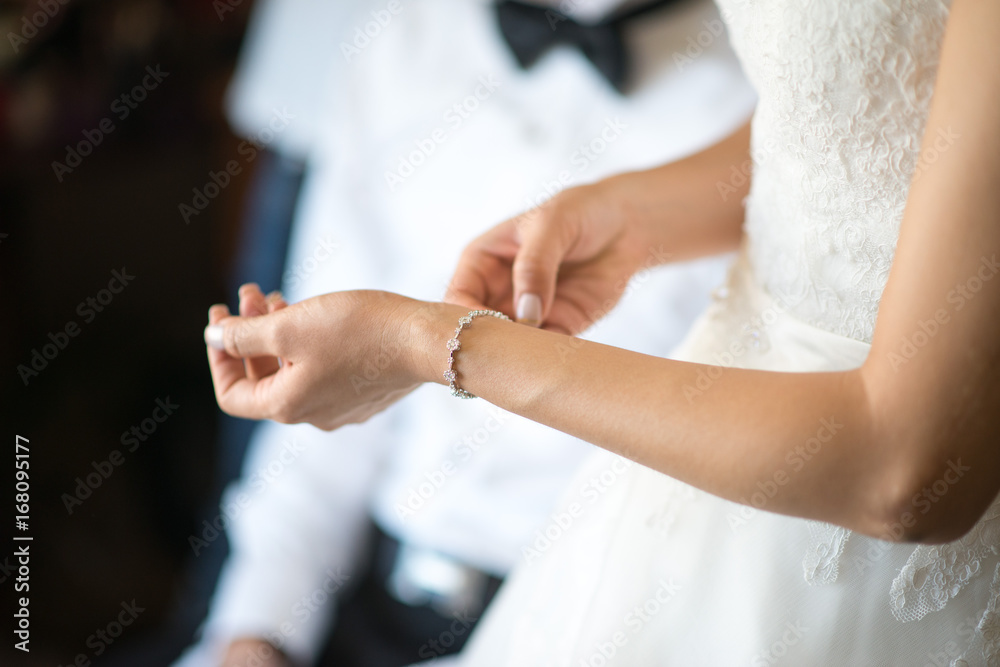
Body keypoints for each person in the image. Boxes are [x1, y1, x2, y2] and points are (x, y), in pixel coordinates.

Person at [206, 0, 1000, 663]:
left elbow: (907, 473)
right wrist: (631, 215)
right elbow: (853, 122)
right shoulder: (395, 44)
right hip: (391, 582)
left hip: (789, 510)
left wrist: (430, 344)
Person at [184, 0, 758, 665]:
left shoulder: (772, 99)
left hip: (601, 626)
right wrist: (260, 630)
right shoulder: (398, 39)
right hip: (365, 599)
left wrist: (421, 342)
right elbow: (321, 433)